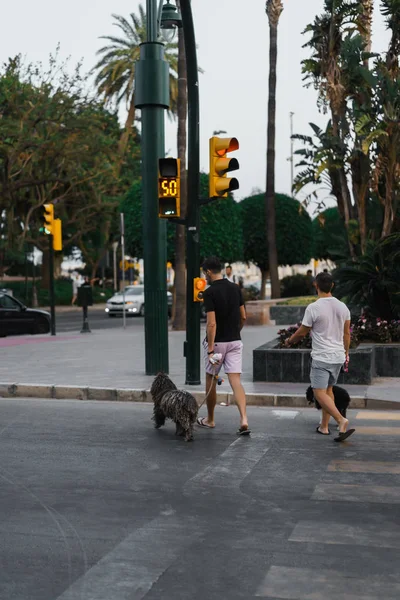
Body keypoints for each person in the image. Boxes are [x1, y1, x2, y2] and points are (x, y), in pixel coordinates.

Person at [285, 272, 354, 442]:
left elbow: (302, 331)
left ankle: (340, 420)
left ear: (316, 285)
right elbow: (347, 334)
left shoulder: (314, 307)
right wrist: (346, 353)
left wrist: (289, 340)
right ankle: (324, 427)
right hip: (338, 356)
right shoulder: (343, 307)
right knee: (328, 391)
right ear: (332, 286)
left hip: (322, 357)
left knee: (318, 392)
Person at [197, 256, 250, 435]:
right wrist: (236, 331)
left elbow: (211, 323)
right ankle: (244, 418)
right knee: (236, 381)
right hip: (235, 341)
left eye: (205, 272)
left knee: (211, 379)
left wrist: (211, 348)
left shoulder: (210, 292)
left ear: (209, 272)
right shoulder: (235, 288)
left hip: (217, 343)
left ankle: (210, 419)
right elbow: (243, 316)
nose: (205, 275)